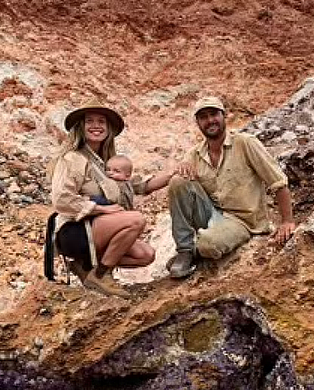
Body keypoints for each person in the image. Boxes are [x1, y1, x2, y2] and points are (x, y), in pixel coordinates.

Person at [48, 101, 175, 296]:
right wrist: (103, 209)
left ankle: (84, 267)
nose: (96, 126)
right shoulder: (73, 158)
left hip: (97, 228)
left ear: (108, 129)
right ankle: (100, 275)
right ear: (81, 127)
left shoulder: (106, 164)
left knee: (146, 255)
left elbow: (139, 187)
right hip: (75, 231)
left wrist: (174, 174)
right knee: (136, 220)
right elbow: (61, 199)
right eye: (89, 121)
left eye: (101, 122)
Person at [167, 96, 296, 279]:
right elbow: (173, 181)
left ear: (224, 116)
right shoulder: (195, 153)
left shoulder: (245, 143)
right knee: (178, 181)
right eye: (203, 117)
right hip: (210, 213)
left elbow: (278, 182)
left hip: (242, 221)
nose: (210, 120)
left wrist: (287, 221)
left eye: (214, 114)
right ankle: (185, 251)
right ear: (198, 123)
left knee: (209, 244)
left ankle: (197, 250)